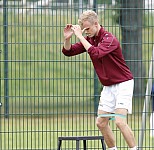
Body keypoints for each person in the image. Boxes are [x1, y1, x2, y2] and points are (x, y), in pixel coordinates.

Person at [62, 10, 137, 150]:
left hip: (123, 84)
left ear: (96, 24)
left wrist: (79, 36)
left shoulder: (109, 39)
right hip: (108, 86)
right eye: (83, 30)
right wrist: (67, 39)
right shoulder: (90, 40)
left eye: (87, 29)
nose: (85, 32)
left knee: (120, 121)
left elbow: (96, 54)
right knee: (101, 122)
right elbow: (68, 52)